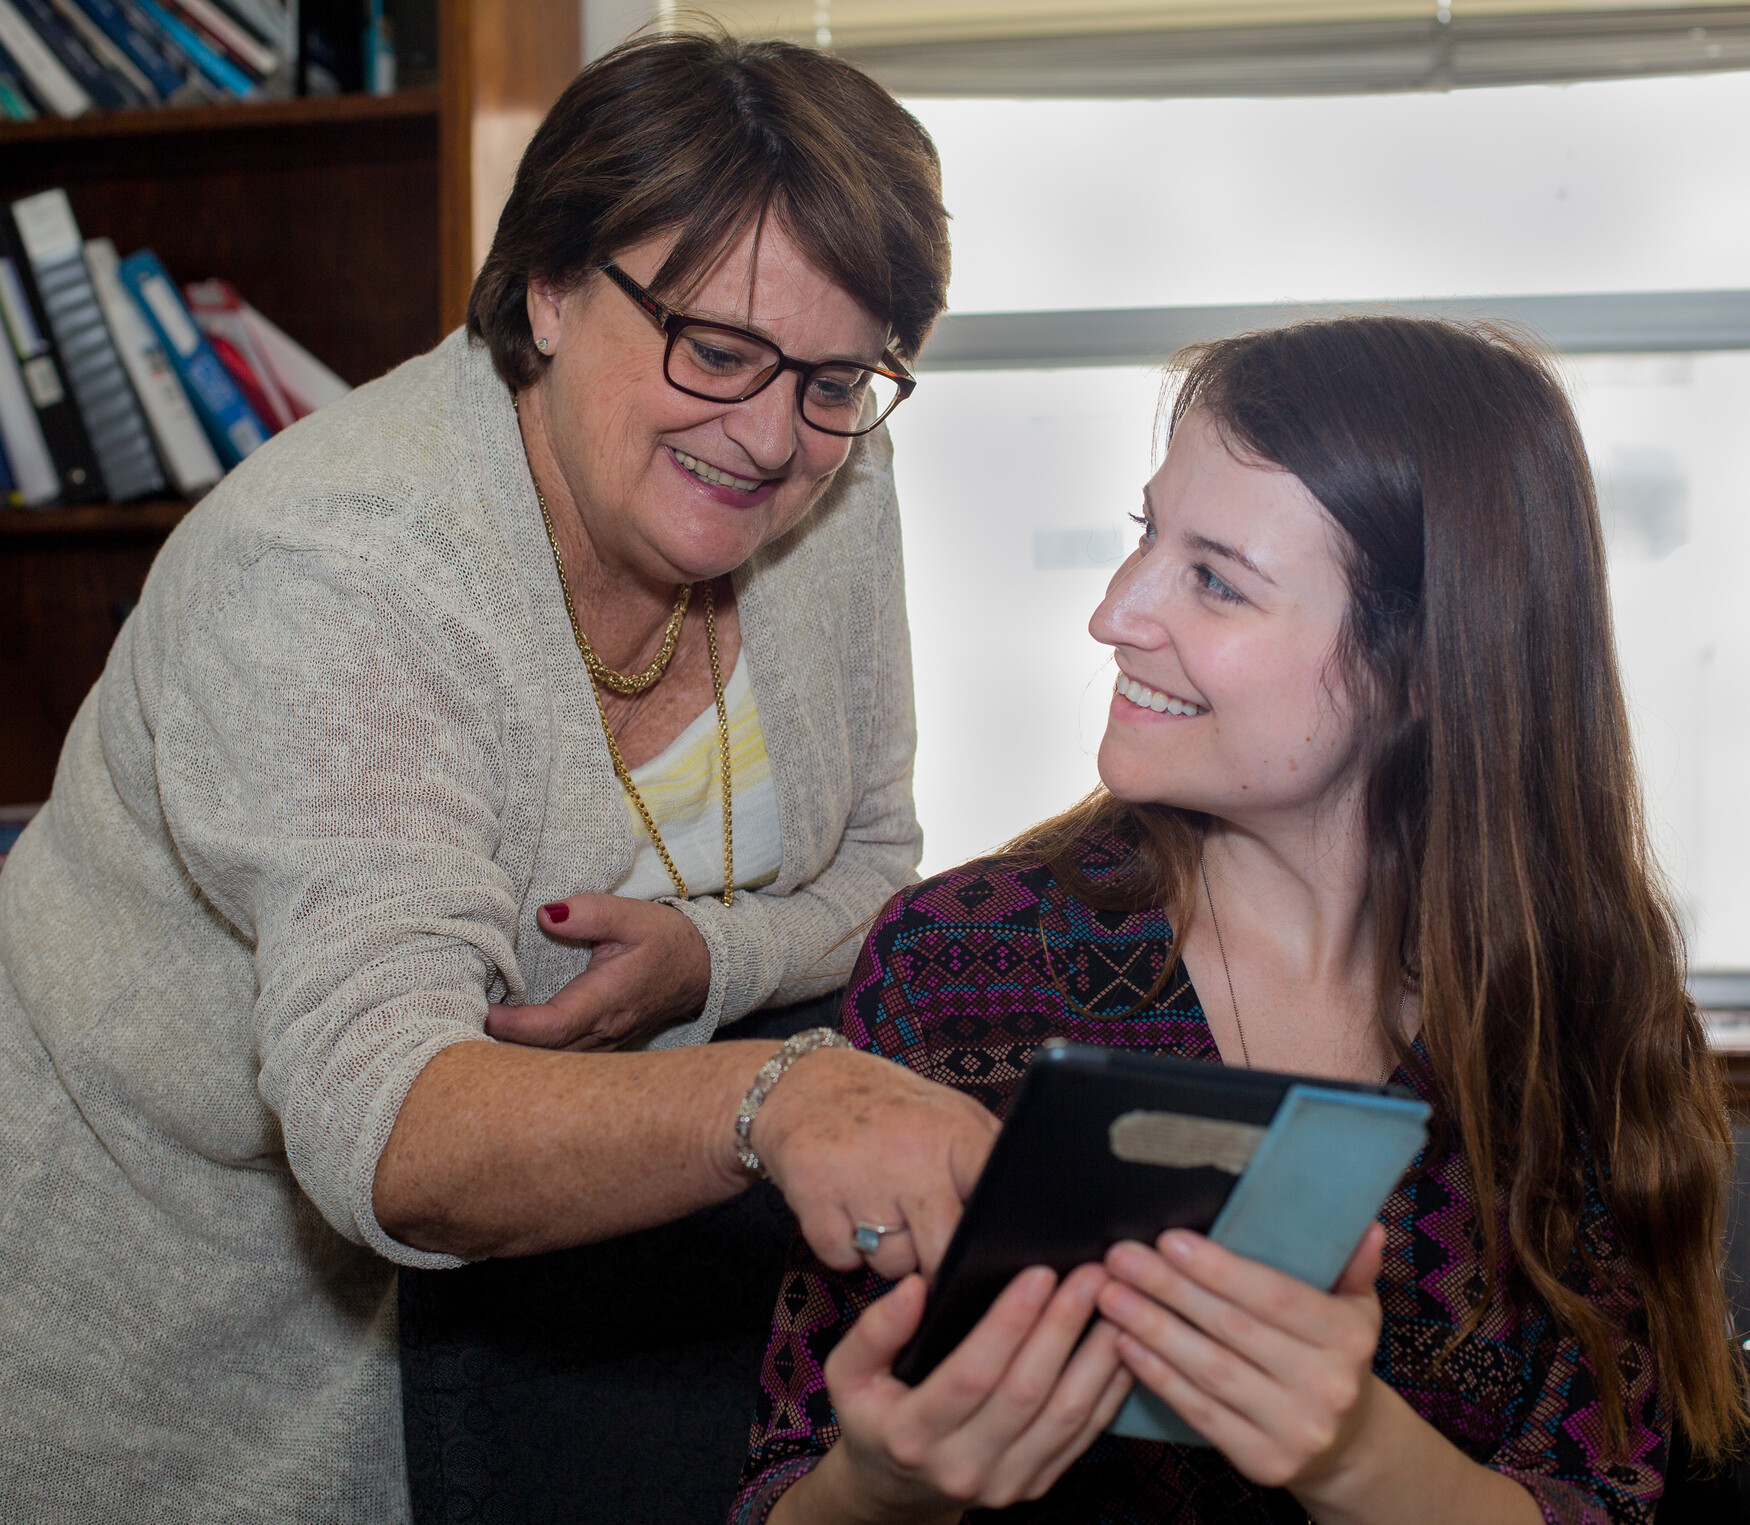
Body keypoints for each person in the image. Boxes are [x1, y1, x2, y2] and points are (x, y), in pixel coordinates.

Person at [0, 33, 1001, 1523]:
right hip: (213, 1348)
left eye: (837, 376)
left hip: (573, 1308)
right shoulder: (342, 567)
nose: (770, 434)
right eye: (713, 351)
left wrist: (704, 960)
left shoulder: (830, 465)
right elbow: (388, 1120)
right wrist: (777, 1094)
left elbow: (871, 860)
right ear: (546, 283)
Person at [733, 317, 1746, 1525]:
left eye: (1215, 579)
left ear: (1425, 669)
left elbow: (1603, 1495)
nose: (1115, 612)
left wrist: (1357, 1458)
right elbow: (786, 1486)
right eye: (1144, 537)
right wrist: (883, 1487)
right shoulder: (959, 963)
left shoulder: (1583, 1017)